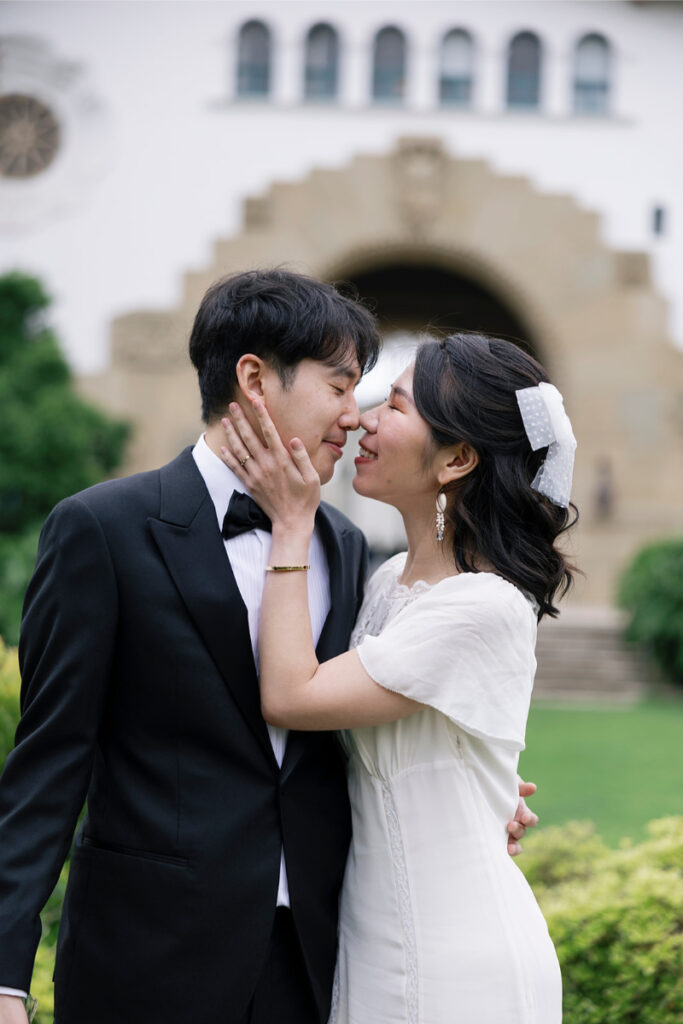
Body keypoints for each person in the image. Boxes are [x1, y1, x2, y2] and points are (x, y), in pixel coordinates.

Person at [0, 272, 537, 1024]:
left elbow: (376, 699)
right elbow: (46, 767)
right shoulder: (104, 531)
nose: (355, 418)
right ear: (253, 379)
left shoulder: (347, 550)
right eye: (340, 386)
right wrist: (5, 979)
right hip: (146, 961)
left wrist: (464, 785)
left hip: (319, 965)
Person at [219, 330, 576, 1024]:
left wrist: (292, 521)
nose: (363, 418)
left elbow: (291, 696)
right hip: (367, 945)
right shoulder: (383, 581)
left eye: (398, 406)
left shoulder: (483, 605)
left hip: (460, 962)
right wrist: (480, 788)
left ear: (457, 459)